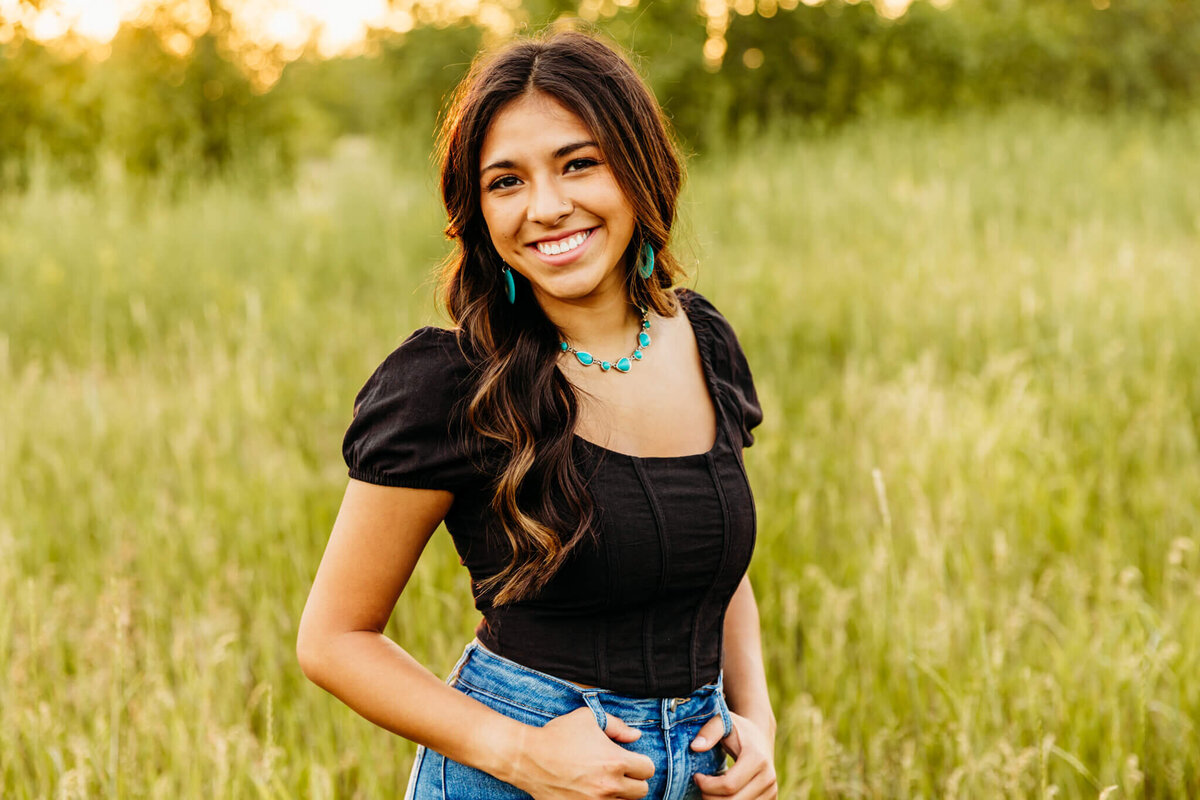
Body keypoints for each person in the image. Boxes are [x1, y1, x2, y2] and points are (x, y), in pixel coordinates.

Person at [296, 29, 778, 800]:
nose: (547, 208)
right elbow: (333, 640)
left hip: (701, 774)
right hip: (518, 775)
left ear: (640, 167)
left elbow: (714, 564)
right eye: (505, 182)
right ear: (476, 211)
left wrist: (755, 717)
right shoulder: (452, 383)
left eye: (578, 164)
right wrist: (519, 754)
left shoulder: (706, 343)